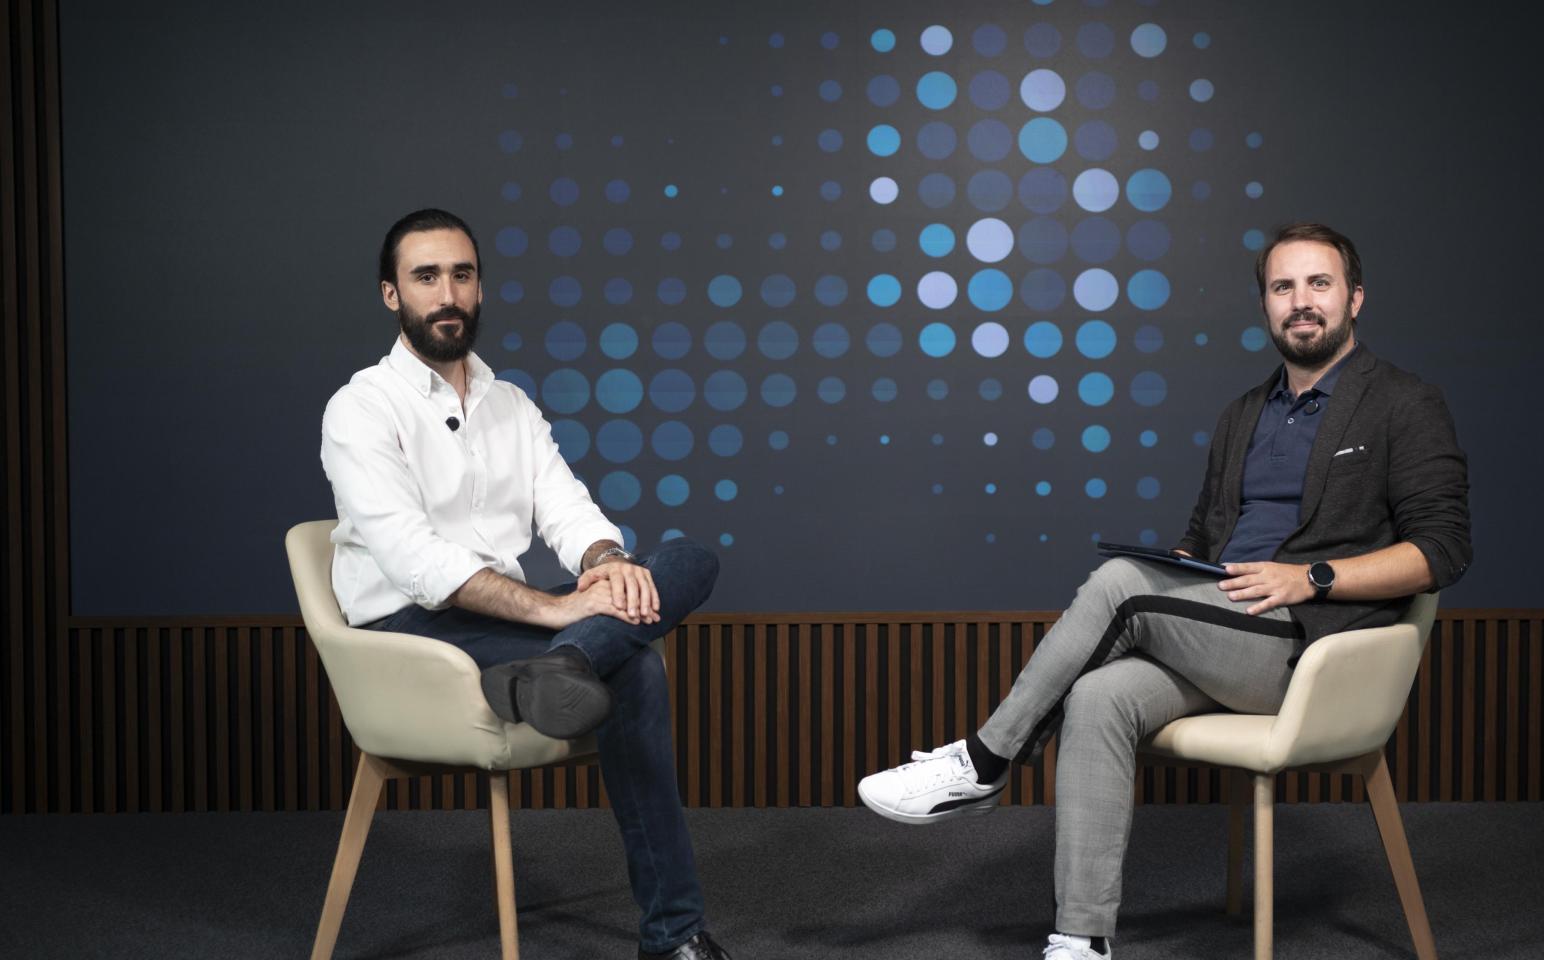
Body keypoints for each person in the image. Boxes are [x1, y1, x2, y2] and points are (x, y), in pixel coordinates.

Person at [857, 223, 1472, 960]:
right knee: (1097, 696)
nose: (1301, 301)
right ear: (1265, 305)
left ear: (1355, 298)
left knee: (1122, 584)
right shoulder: (1243, 414)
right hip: (1224, 633)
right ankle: (1082, 937)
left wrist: (1309, 578)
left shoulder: (1405, 402)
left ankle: (985, 763)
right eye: (1283, 287)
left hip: (1309, 651)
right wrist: (1179, 565)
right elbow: (1204, 537)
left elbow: (1443, 551)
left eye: (1319, 284)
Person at [319, 208, 732, 960]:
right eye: (426, 277)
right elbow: (416, 562)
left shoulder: (509, 403)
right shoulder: (360, 408)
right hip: (408, 635)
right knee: (637, 666)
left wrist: (608, 562)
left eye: (462, 275)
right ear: (391, 294)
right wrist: (556, 609)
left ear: (480, 287)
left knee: (688, 558)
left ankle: (569, 662)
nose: (448, 294)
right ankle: (673, 935)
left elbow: (566, 507)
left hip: (504, 632)